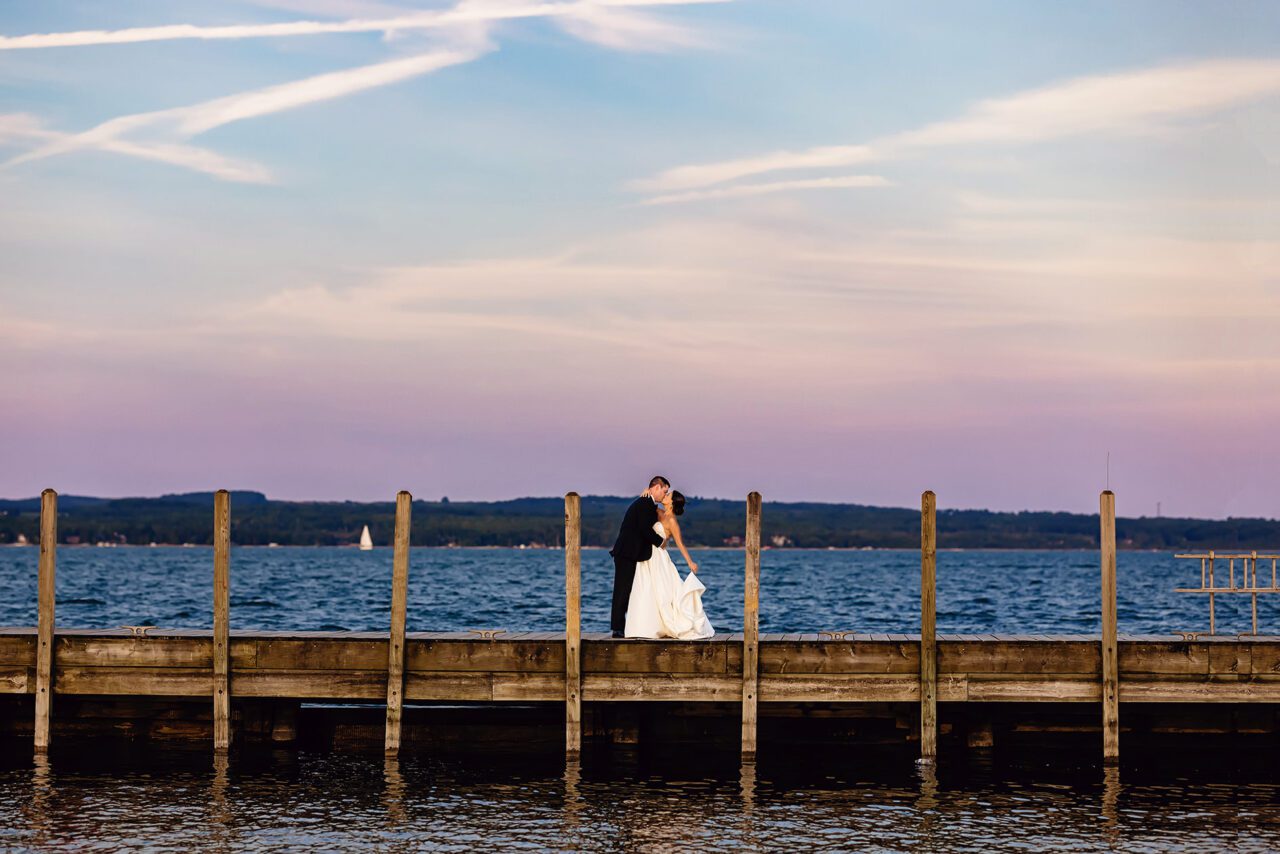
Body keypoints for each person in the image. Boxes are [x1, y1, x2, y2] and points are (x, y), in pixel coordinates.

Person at [624, 490, 715, 640]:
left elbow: (680, 544)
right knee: (645, 589)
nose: (664, 496)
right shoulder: (657, 512)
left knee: (662, 592)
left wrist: (689, 561)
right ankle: (644, 627)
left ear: (672, 502)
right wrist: (645, 494)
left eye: (668, 495)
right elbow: (643, 507)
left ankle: (668, 625)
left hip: (659, 558)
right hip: (646, 556)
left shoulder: (672, 521)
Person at [608, 476, 669, 637]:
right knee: (622, 590)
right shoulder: (644, 504)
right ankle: (617, 628)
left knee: (628, 590)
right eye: (664, 491)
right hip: (626, 553)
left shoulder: (646, 503)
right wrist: (660, 542)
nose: (665, 495)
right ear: (656, 487)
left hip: (630, 553)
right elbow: (644, 529)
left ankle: (623, 626)